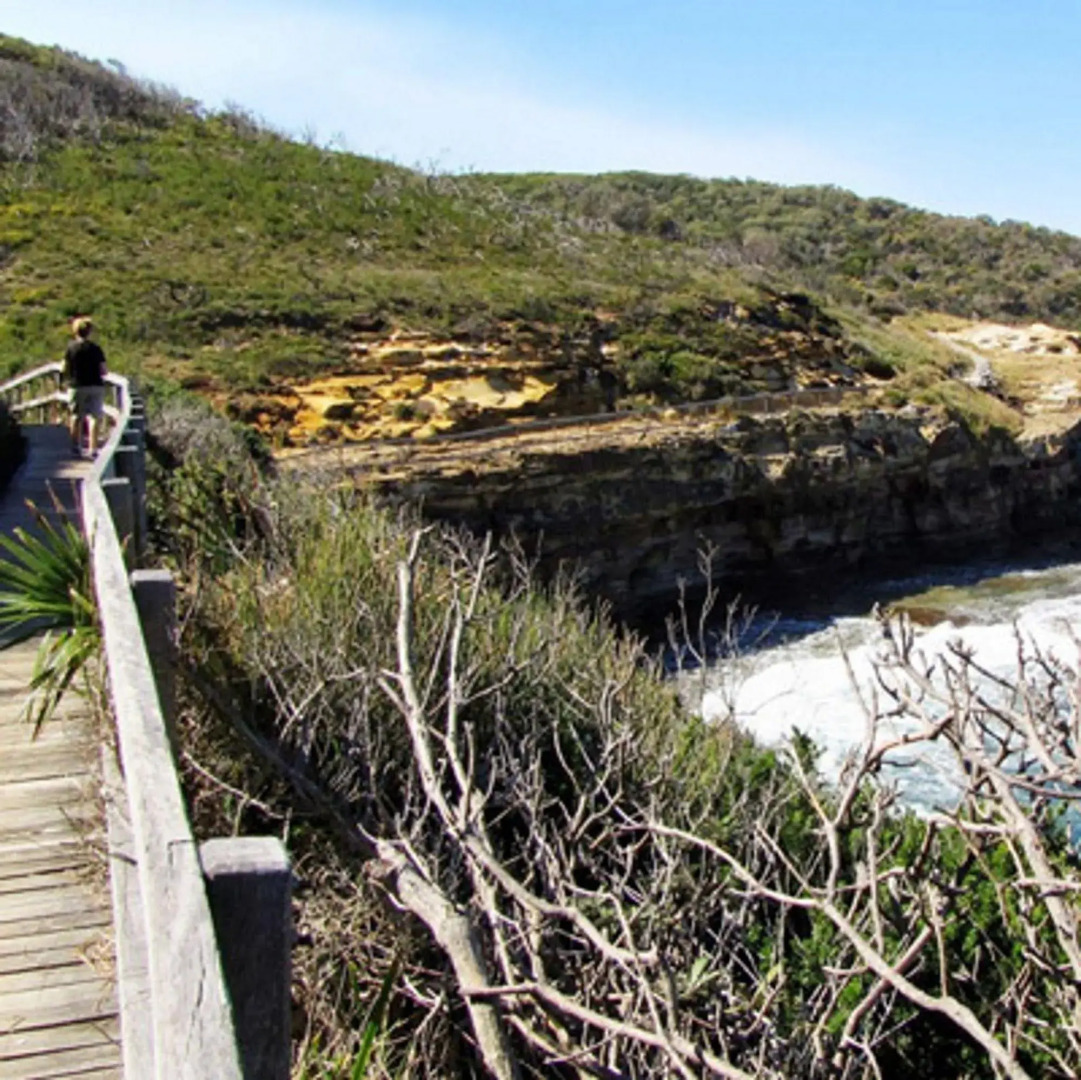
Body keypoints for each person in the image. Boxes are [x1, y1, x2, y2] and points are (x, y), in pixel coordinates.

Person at [64, 317, 107, 455]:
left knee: (76, 416)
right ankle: (93, 448)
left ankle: (76, 446)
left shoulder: (71, 348)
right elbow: (103, 370)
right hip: (95, 385)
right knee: (94, 417)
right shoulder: (96, 349)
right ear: (89, 332)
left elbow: (64, 368)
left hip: (77, 386)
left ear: (75, 331)